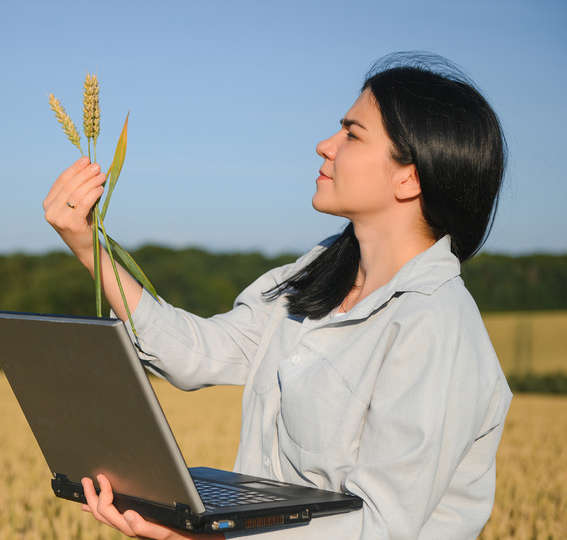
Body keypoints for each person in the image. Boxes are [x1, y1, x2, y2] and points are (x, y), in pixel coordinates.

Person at [43, 52, 512, 539]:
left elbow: (378, 527)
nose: (324, 145)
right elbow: (195, 355)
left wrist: (212, 536)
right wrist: (89, 247)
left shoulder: (434, 323)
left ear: (409, 176)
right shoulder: (318, 271)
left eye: (352, 134)